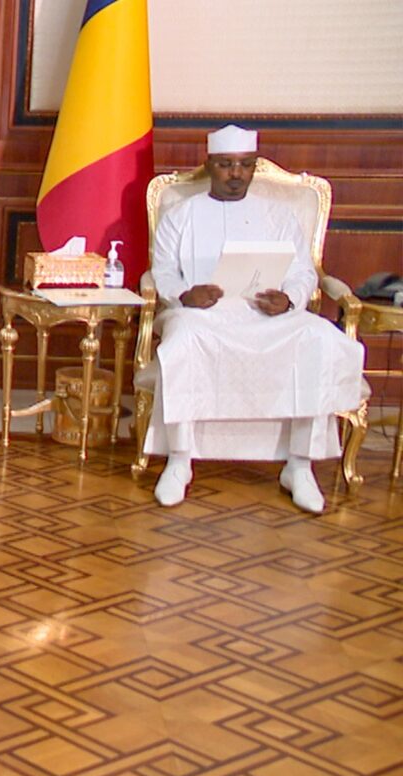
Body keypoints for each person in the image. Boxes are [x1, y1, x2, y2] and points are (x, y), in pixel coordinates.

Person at [144, 124, 365, 513]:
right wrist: (185, 295)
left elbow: (303, 273)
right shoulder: (181, 215)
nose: (236, 174)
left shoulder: (278, 216)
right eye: (226, 164)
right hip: (201, 317)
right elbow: (161, 270)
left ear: (254, 167)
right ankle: (179, 459)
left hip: (268, 317)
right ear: (210, 165)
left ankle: (299, 465)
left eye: (245, 165)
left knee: (318, 337)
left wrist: (289, 299)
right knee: (182, 341)